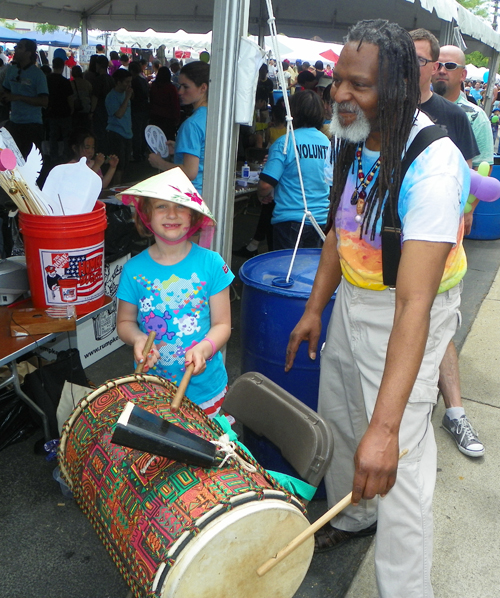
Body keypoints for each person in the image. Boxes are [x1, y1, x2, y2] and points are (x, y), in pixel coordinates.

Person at [286, 20, 469, 598]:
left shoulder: (434, 164)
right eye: (338, 80)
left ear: (394, 88)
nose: (339, 94)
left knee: (400, 465)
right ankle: (353, 515)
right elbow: (342, 233)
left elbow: (416, 301)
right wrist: (317, 307)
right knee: (340, 418)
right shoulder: (355, 135)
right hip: (353, 302)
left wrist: (387, 428)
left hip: (410, 312)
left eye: (357, 85)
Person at [116, 168, 234, 419]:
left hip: (204, 391)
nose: (172, 214)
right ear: (146, 215)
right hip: (152, 388)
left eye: (181, 206)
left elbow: (223, 324)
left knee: (206, 451)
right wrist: (138, 339)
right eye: (161, 207)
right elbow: (125, 322)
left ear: (193, 215)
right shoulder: (133, 269)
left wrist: (204, 348)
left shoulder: (211, 263)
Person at [431, 44, 493, 458]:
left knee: (440, 326)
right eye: (436, 64)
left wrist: (465, 213)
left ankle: (455, 412)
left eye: (447, 65)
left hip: (447, 234)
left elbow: (482, 167)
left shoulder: (472, 117)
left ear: (461, 73)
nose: (439, 70)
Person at [257, 89, 329, 250]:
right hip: (321, 220)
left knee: (286, 272)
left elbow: (265, 185)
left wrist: (261, 195)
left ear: (292, 112)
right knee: (310, 273)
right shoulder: (327, 143)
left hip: (289, 221)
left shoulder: (284, 143)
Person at [148, 61, 209, 195]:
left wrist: (159, 163)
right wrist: (180, 148)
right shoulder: (214, 117)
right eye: (179, 86)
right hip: (210, 193)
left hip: (190, 195)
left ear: (203, 88)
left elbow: (189, 172)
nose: (180, 92)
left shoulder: (191, 124)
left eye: (185, 87)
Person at [1, 38, 48, 159]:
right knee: (11, 161)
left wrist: (18, 97)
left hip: (32, 125)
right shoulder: (11, 70)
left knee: (29, 163)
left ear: (28, 53)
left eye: (20, 47)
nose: (16, 49)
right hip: (14, 123)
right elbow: (5, 91)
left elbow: (44, 101)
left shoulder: (38, 74)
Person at [105, 68, 133, 185]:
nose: (129, 85)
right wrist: (127, 97)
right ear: (118, 82)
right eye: (126, 82)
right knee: (118, 166)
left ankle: (121, 189)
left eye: (130, 82)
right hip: (115, 133)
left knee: (125, 165)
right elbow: (119, 114)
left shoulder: (125, 94)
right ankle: (115, 192)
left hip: (127, 133)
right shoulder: (111, 97)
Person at [46, 56, 74, 163]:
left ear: (53, 66)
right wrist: (72, 109)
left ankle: (53, 156)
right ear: (63, 67)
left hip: (51, 111)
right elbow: (70, 98)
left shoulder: (47, 79)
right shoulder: (65, 82)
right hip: (64, 111)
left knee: (53, 136)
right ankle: (65, 155)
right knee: (66, 136)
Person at [149, 66, 180, 141]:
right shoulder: (171, 88)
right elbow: (175, 103)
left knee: (156, 139)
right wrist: (177, 117)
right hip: (168, 117)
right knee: (168, 139)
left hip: (155, 115)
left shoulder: (154, 86)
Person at [91, 55, 115, 153]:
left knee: (99, 134)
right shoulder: (111, 79)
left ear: (98, 65)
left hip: (99, 110)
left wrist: (91, 112)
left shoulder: (98, 80)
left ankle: (101, 154)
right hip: (110, 110)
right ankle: (107, 154)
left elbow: (95, 98)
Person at [128, 61, 149, 162]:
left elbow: (132, 97)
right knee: (143, 132)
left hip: (136, 109)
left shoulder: (133, 82)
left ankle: (136, 153)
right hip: (145, 109)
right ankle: (142, 152)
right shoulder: (143, 80)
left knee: (136, 132)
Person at [71, 65, 93, 130]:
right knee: (86, 129)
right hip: (86, 108)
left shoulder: (71, 84)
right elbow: (91, 95)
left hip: (75, 109)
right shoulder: (87, 83)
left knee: (75, 129)